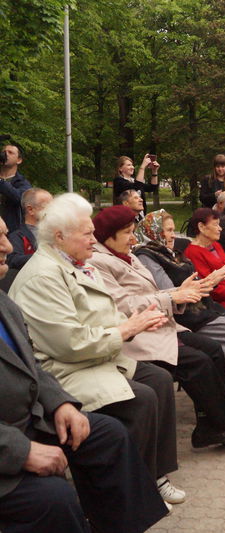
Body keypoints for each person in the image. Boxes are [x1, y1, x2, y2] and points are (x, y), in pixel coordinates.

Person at [8, 193, 184, 507]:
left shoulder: (75, 264)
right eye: (87, 234)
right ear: (59, 236)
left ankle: (154, 475)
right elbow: (70, 344)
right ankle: (128, 494)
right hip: (64, 369)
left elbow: (105, 313)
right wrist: (127, 329)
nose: (94, 239)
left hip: (97, 357)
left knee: (157, 379)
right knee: (141, 398)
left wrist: (132, 324)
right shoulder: (43, 276)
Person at [90, 206, 225, 437]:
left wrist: (192, 288)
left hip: (166, 321)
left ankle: (212, 422)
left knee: (214, 350)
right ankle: (223, 425)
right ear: (108, 234)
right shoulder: (104, 261)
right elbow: (123, 304)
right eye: (127, 233)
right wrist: (180, 293)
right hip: (142, 333)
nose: (133, 238)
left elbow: (164, 291)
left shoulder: (130, 255)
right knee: (200, 361)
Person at [8, 188, 52, 269]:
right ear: (30, 210)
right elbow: (13, 260)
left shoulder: (55, 232)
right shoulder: (17, 236)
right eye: (47, 206)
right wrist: (45, 256)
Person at [0, 142, 32, 233]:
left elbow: (20, 198)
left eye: (10, 152)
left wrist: (1, 182)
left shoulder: (23, 183)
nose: (5, 154)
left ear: (19, 160)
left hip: (11, 234)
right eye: (4, 151)